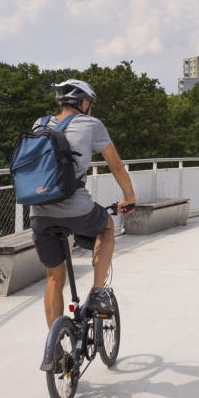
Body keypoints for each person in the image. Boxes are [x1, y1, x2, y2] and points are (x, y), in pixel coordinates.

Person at [30, 79, 136, 327]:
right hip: (76, 209)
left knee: (54, 278)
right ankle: (97, 292)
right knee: (107, 226)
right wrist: (129, 197)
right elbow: (116, 165)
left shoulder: (39, 124)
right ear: (84, 102)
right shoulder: (91, 124)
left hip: (39, 212)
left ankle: (54, 347)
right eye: (91, 102)